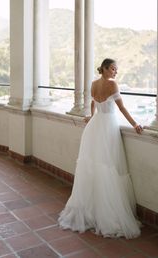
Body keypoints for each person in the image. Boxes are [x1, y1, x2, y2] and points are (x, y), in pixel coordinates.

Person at [58, 58, 143, 239]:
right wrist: (135, 124)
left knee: (95, 165)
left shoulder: (94, 84)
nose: (115, 72)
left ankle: (91, 208)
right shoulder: (112, 85)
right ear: (104, 69)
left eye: (116, 70)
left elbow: (92, 103)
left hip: (94, 126)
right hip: (107, 127)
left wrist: (91, 116)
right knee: (108, 164)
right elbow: (122, 108)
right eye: (113, 69)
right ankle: (105, 212)